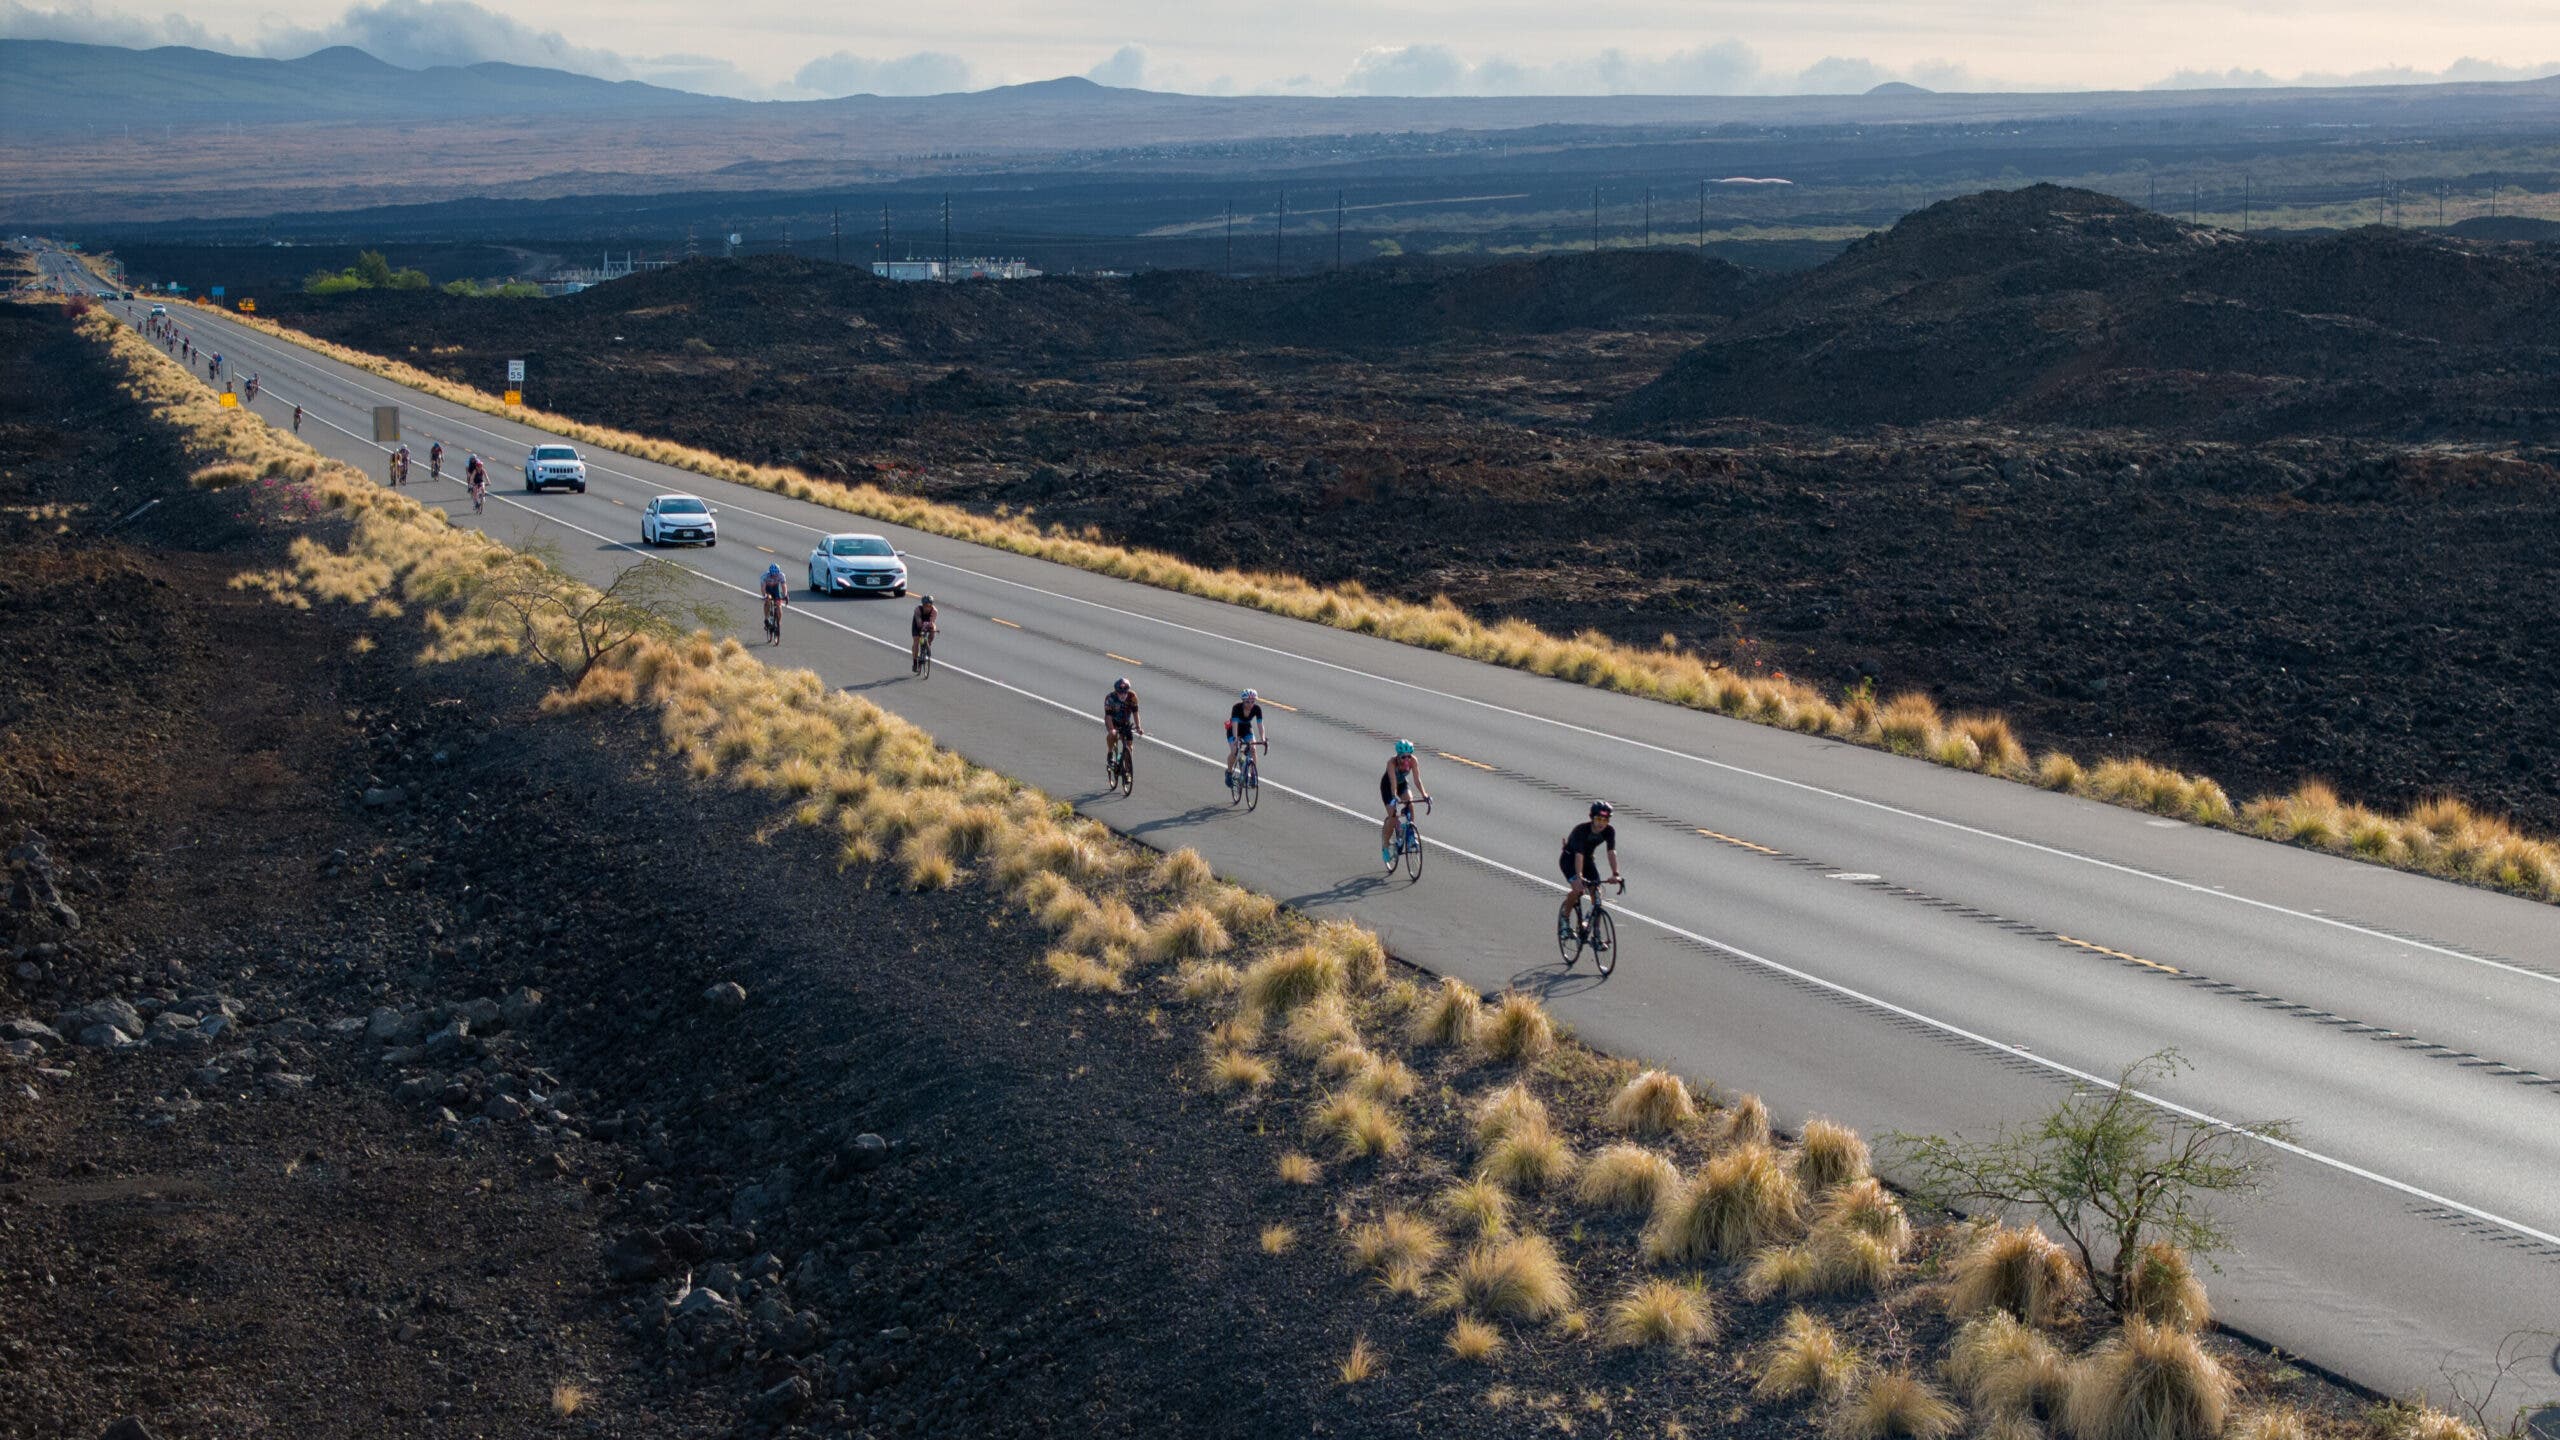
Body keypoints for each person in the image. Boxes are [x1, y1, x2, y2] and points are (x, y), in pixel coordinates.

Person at [1557, 802, 1621, 946]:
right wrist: (1579, 877)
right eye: (1598, 819)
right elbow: (1578, 855)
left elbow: (1611, 852)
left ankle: (1596, 935)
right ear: (1592, 818)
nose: (1601, 823)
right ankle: (1564, 919)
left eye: (1605, 820)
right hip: (1569, 860)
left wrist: (1615, 873)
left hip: (1587, 860)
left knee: (1597, 896)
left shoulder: (1609, 831)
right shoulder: (1581, 830)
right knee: (1578, 890)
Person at [1379, 739, 1429, 862]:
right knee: (1393, 817)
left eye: (1408, 756)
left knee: (1410, 803)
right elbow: (1393, 783)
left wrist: (1424, 795)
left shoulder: (1413, 761)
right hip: (1388, 787)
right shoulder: (1391, 763)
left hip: (1402, 784)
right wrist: (1394, 796)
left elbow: (1417, 780)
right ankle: (1386, 845)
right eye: (1403, 757)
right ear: (1398, 756)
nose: (1406, 759)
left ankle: (1411, 835)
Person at [1225, 688, 1265, 785]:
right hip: (1234, 729)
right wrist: (1235, 738)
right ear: (1243, 701)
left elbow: (1260, 725)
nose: (1250, 704)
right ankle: (1229, 772)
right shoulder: (1236, 708)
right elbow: (1234, 724)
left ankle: (1253, 774)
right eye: (1247, 702)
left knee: (1253, 749)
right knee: (1234, 751)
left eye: (1252, 701)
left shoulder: (1257, 709)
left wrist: (1263, 738)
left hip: (1246, 728)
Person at [1102, 677, 1141, 776]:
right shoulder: (1110, 698)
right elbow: (1108, 716)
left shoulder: (1132, 696)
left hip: (1125, 722)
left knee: (1129, 746)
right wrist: (1112, 730)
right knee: (1113, 734)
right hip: (1113, 721)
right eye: (1120, 692)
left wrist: (1138, 727)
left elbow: (1135, 713)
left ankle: (1127, 769)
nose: (1123, 695)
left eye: (1125, 692)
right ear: (1116, 691)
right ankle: (1110, 753)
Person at [760, 563, 789, 643]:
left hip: (776, 589)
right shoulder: (765, 576)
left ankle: (778, 622)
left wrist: (785, 595)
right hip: (768, 589)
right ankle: (766, 618)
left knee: (779, 605)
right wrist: (765, 595)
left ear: (778, 573)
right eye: (772, 575)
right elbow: (763, 588)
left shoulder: (781, 575)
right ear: (770, 573)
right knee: (768, 600)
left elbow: (783, 586)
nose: (774, 577)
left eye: (776, 575)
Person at [910, 594, 938, 671]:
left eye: (929, 606)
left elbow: (932, 622)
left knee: (933, 630)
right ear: (922, 605)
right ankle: (915, 662)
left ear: (931, 605)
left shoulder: (934, 611)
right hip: (917, 624)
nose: (927, 608)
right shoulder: (918, 610)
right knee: (916, 641)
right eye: (925, 605)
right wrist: (922, 628)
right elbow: (919, 623)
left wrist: (933, 629)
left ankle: (927, 645)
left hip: (928, 623)